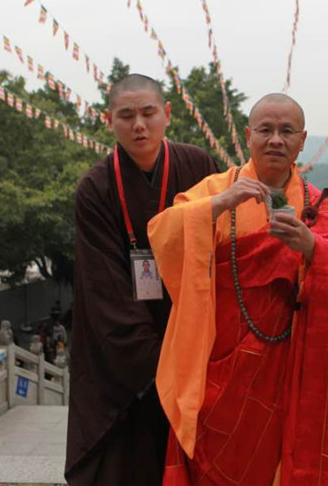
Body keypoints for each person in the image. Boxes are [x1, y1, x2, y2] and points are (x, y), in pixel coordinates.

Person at [148, 93, 328, 484]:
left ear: (302, 140)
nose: (275, 140)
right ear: (248, 136)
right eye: (265, 130)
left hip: (289, 369)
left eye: (287, 131)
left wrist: (313, 247)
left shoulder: (317, 205)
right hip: (222, 368)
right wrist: (217, 205)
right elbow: (163, 233)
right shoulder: (216, 187)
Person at [65, 74, 218, 485]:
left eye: (149, 113)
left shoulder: (198, 166)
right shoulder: (96, 189)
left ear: (167, 114)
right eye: (127, 115)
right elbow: (103, 289)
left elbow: (221, 255)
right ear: (108, 120)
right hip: (127, 364)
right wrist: (157, 367)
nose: (139, 125)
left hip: (195, 341)